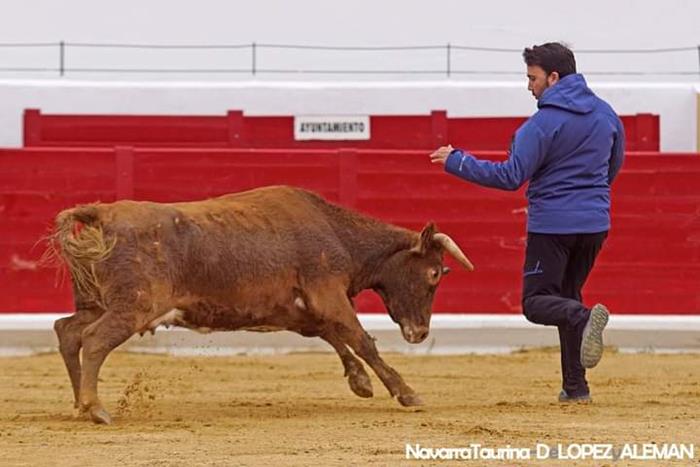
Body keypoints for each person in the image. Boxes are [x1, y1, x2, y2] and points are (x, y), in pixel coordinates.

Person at [430, 42, 625, 403]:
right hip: (595, 222)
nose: (529, 86)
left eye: (532, 78)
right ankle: (576, 387)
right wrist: (588, 201)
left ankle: (583, 321)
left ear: (553, 77)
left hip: (552, 225)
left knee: (537, 302)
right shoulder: (606, 113)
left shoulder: (541, 124)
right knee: (567, 298)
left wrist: (456, 161)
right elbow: (614, 165)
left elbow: (510, 176)